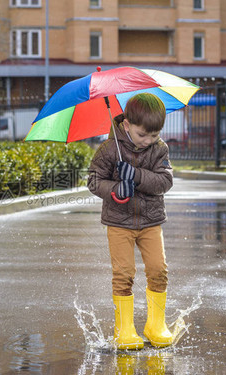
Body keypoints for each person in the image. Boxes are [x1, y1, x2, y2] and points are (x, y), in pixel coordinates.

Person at [87, 92, 174, 350]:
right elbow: (93, 180)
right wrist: (115, 189)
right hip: (119, 222)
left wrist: (136, 175)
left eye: (154, 135)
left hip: (150, 221)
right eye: (142, 135)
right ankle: (124, 329)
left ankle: (155, 325)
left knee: (158, 269)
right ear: (127, 125)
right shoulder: (109, 148)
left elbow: (164, 182)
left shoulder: (160, 150)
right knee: (123, 274)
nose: (148, 141)